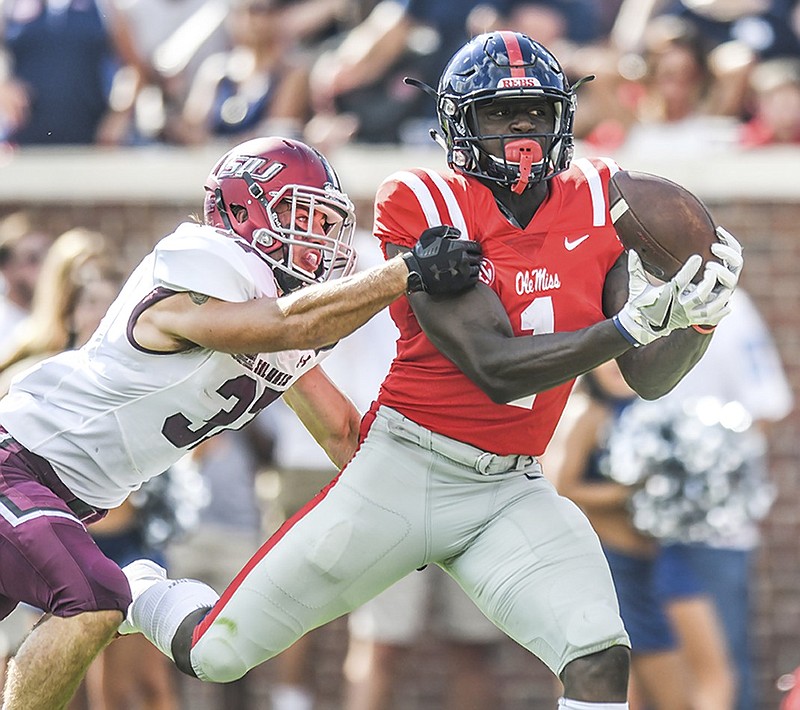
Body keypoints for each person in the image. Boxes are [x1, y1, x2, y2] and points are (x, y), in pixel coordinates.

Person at [122, 32, 743, 710]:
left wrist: (698, 317)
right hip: (406, 471)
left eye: (534, 112)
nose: (521, 131)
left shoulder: (599, 198)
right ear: (457, 123)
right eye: (500, 115)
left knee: (598, 657)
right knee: (217, 654)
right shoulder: (425, 200)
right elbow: (495, 368)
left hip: (511, 488)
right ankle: (142, 594)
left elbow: (649, 376)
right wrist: (631, 324)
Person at [0, 135, 481, 710]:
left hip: (68, 493)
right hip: (18, 460)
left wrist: (426, 513)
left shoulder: (277, 309)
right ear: (243, 207)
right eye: (305, 216)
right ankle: (142, 595)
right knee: (94, 603)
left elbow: (343, 433)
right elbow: (286, 326)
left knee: (95, 601)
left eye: (329, 224)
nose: (321, 241)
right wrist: (405, 273)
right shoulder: (204, 267)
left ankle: (141, 594)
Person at [544, 360, 734, 710]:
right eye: (608, 356)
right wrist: (624, 492)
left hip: (656, 562)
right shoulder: (590, 415)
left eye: (629, 354)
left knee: (678, 692)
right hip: (611, 566)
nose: (617, 364)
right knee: (618, 687)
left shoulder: (661, 415)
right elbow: (563, 488)